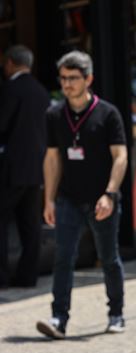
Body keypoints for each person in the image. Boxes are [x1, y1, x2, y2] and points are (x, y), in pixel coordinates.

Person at [36, 51, 128, 340]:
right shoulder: (54, 115)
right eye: (63, 78)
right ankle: (58, 319)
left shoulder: (108, 113)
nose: (67, 84)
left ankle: (116, 313)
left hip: (102, 198)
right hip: (68, 199)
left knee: (108, 257)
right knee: (63, 256)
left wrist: (110, 193)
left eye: (73, 78)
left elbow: (121, 156)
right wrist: (48, 198)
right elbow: (52, 159)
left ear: (88, 79)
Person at [0, 45, 50, 288]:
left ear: (9, 63)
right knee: (30, 226)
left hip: (11, 169)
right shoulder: (41, 92)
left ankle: (2, 276)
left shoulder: (11, 89)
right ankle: (28, 276)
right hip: (36, 169)